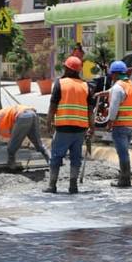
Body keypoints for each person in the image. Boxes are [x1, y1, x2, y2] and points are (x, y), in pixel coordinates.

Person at [45, 55, 90, 195]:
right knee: (76, 158)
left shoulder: (60, 83)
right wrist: (92, 128)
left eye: (65, 67)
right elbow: (90, 110)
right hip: (80, 130)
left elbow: (53, 105)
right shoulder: (86, 86)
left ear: (69, 69)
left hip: (64, 128)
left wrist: (49, 121)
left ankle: (52, 185)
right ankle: (73, 186)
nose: (64, 69)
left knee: (57, 156)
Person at [0, 104, 50, 172]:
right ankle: (52, 162)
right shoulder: (1, 116)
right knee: (39, 144)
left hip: (22, 116)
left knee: (10, 149)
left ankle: (12, 167)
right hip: (32, 114)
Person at [105, 59, 132, 188]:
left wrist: (109, 122)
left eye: (112, 74)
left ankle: (124, 180)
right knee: (125, 152)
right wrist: (103, 93)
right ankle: (124, 178)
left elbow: (113, 108)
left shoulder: (118, 87)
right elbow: (118, 93)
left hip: (120, 125)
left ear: (115, 73)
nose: (111, 76)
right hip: (130, 125)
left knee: (122, 153)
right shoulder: (130, 84)